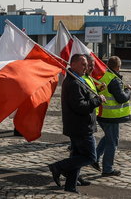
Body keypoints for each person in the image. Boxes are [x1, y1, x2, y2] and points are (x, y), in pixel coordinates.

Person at [48, 54, 105, 193]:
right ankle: (58, 166)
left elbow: (84, 98)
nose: (86, 67)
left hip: (79, 125)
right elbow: (80, 106)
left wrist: (96, 95)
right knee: (90, 157)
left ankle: (70, 186)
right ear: (73, 64)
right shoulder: (73, 82)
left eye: (86, 64)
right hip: (81, 127)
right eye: (83, 64)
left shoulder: (77, 79)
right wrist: (97, 101)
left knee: (77, 156)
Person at [94, 56, 131, 177]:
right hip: (112, 116)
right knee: (112, 142)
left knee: (108, 138)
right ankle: (107, 169)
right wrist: (128, 90)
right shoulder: (114, 80)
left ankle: (94, 157)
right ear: (118, 67)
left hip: (102, 114)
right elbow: (121, 98)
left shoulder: (104, 76)